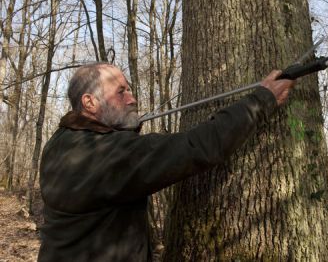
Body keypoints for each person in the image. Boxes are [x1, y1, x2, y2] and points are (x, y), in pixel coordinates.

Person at [38, 62, 296, 262]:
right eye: (121, 92)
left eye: (129, 89)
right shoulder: (101, 155)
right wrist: (261, 100)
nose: (132, 98)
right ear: (90, 102)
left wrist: (123, 128)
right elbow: (195, 147)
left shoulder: (63, 140)